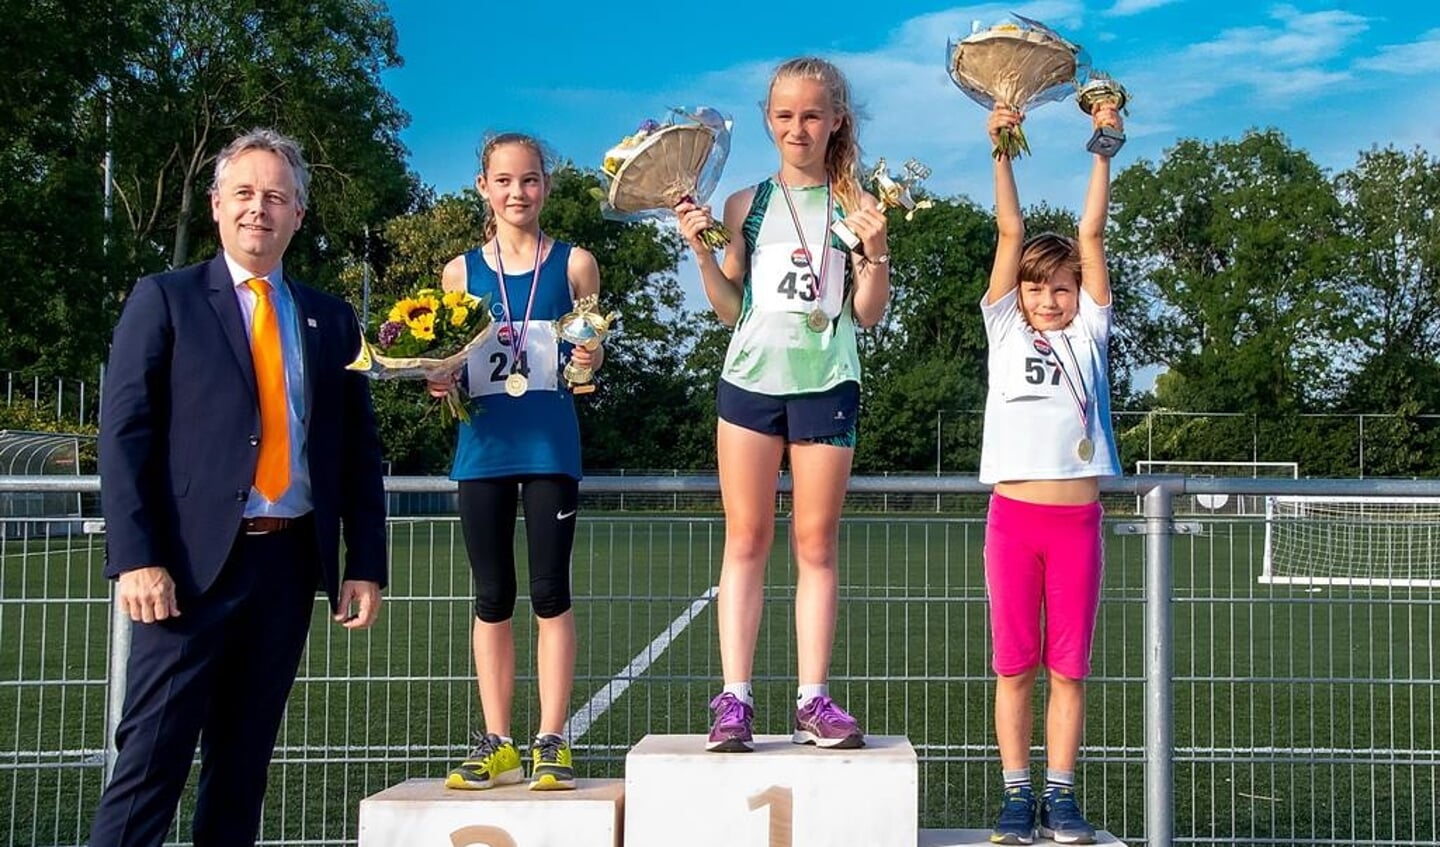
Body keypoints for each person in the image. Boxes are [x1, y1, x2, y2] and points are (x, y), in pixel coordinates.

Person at [91, 128, 387, 847]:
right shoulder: (164, 299)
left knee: (242, 767)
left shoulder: (331, 318)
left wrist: (366, 563)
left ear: (298, 216)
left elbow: (356, 452)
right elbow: (123, 435)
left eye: (277, 196)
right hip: (184, 574)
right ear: (219, 205)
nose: (261, 208)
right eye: (246, 193)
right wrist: (136, 556)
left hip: (286, 569)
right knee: (149, 767)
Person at [675, 56, 889, 753]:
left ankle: (813, 698)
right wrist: (704, 254)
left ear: (836, 121)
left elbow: (868, 311)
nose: (799, 127)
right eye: (785, 115)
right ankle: (733, 699)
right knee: (746, 538)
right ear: (769, 121)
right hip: (749, 384)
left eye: (813, 115)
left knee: (815, 544)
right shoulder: (744, 204)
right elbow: (731, 309)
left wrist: (877, 252)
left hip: (827, 382)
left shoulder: (859, 204)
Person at [430, 132, 602, 791]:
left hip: (550, 445)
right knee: (492, 595)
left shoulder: (576, 264)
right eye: (503, 181)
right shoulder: (458, 272)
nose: (517, 193)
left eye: (529, 180)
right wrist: (439, 378)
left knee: (550, 590)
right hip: (482, 451)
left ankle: (551, 738)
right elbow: (449, 361)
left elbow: (589, 354)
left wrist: (590, 360)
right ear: (483, 186)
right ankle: (497, 740)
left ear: (545, 186)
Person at [977, 102, 1124, 845]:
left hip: (1077, 522)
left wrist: (1104, 148)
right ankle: (1015, 793)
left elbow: (1091, 233)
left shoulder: (1092, 327)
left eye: (1061, 287)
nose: (1049, 298)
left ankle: (1061, 796)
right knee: (1015, 666)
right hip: (1014, 520)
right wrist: (1002, 147)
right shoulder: (1004, 325)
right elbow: (1010, 230)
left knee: (1069, 666)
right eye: (1038, 288)